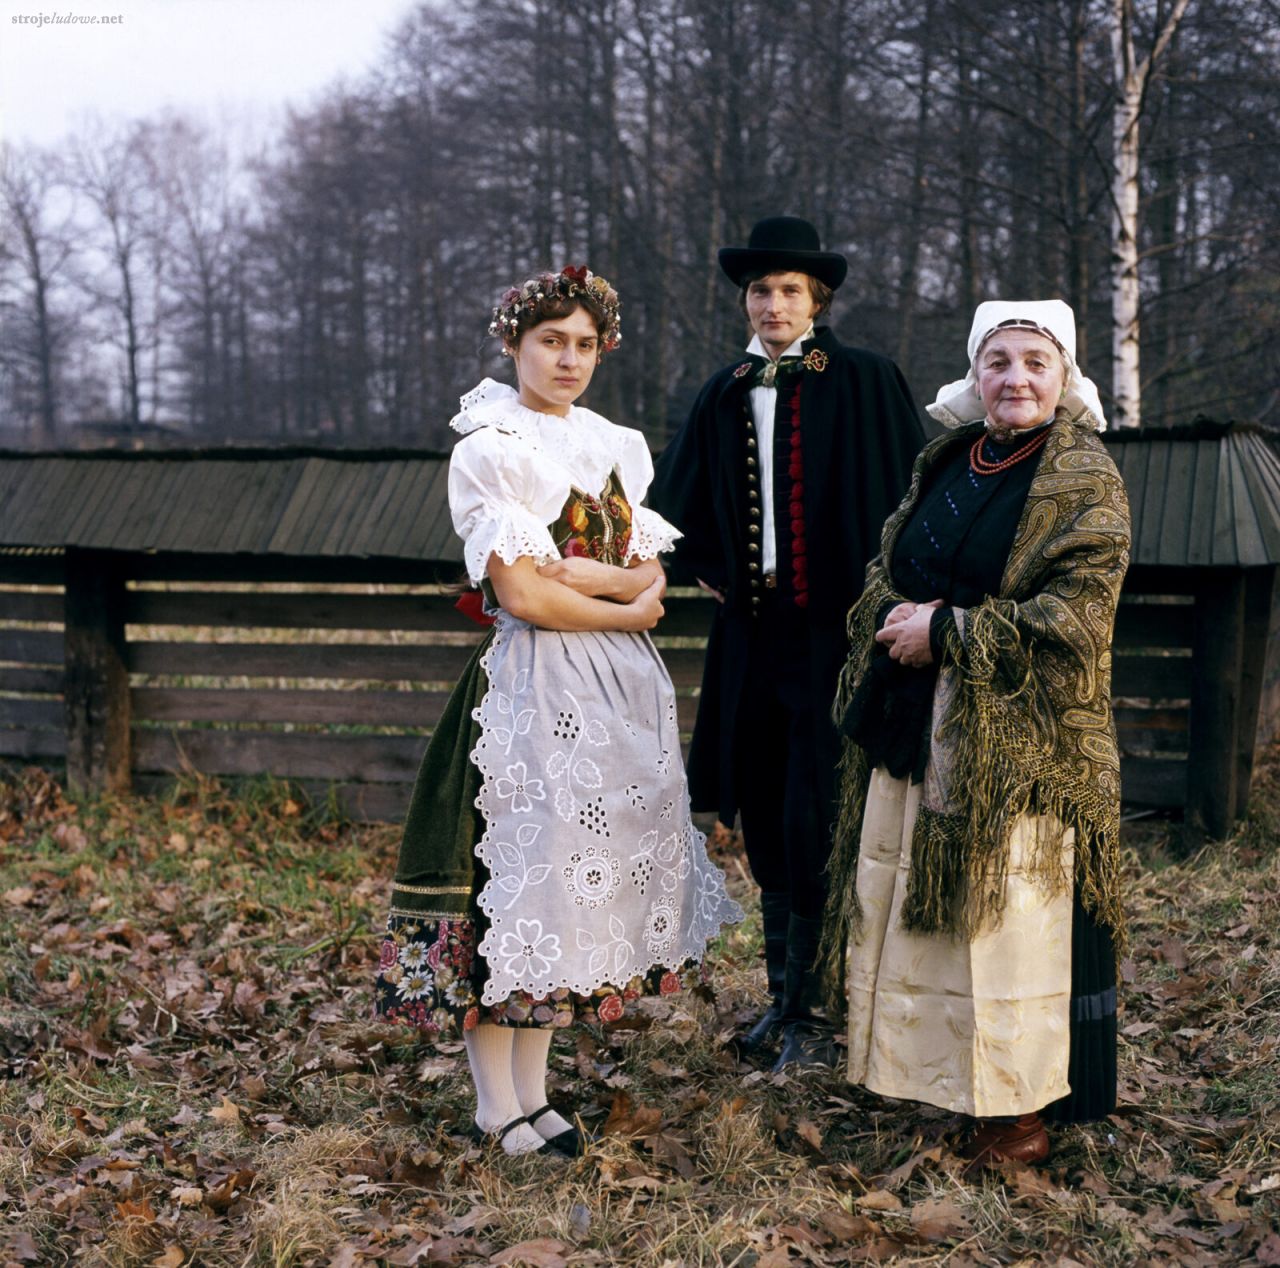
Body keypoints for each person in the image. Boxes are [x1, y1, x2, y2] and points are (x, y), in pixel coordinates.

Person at [373, 266, 743, 1156]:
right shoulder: (492, 446)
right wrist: (624, 608)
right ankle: (494, 1104)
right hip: (533, 686)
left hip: (617, 695)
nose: (569, 360)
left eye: (584, 344)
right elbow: (525, 596)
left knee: (566, 900)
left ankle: (535, 1095)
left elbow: (653, 574)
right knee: (520, 888)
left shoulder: (615, 443)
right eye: (550, 342)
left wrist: (597, 578)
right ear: (515, 344)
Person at [817, 299, 1130, 1167]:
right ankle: (944, 1080)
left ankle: (1017, 1112)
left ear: (1064, 376)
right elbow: (887, 561)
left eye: (1035, 362)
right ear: (975, 373)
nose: (1015, 378)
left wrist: (947, 631)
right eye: (998, 361)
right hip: (919, 722)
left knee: (1004, 927)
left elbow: (1078, 615)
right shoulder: (948, 458)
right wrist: (895, 615)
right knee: (926, 914)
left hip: (1017, 750)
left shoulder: (1083, 476)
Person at [649, 217, 924, 1069]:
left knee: (822, 814)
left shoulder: (865, 378)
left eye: (790, 291)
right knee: (766, 809)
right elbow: (671, 504)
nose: (773, 304)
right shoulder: (725, 390)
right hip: (753, 641)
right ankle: (783, 1001)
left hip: (837, 641)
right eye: (760, 290)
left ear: (817, 300)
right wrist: (709, 567)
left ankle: (820, 1011)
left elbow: (912, 493)